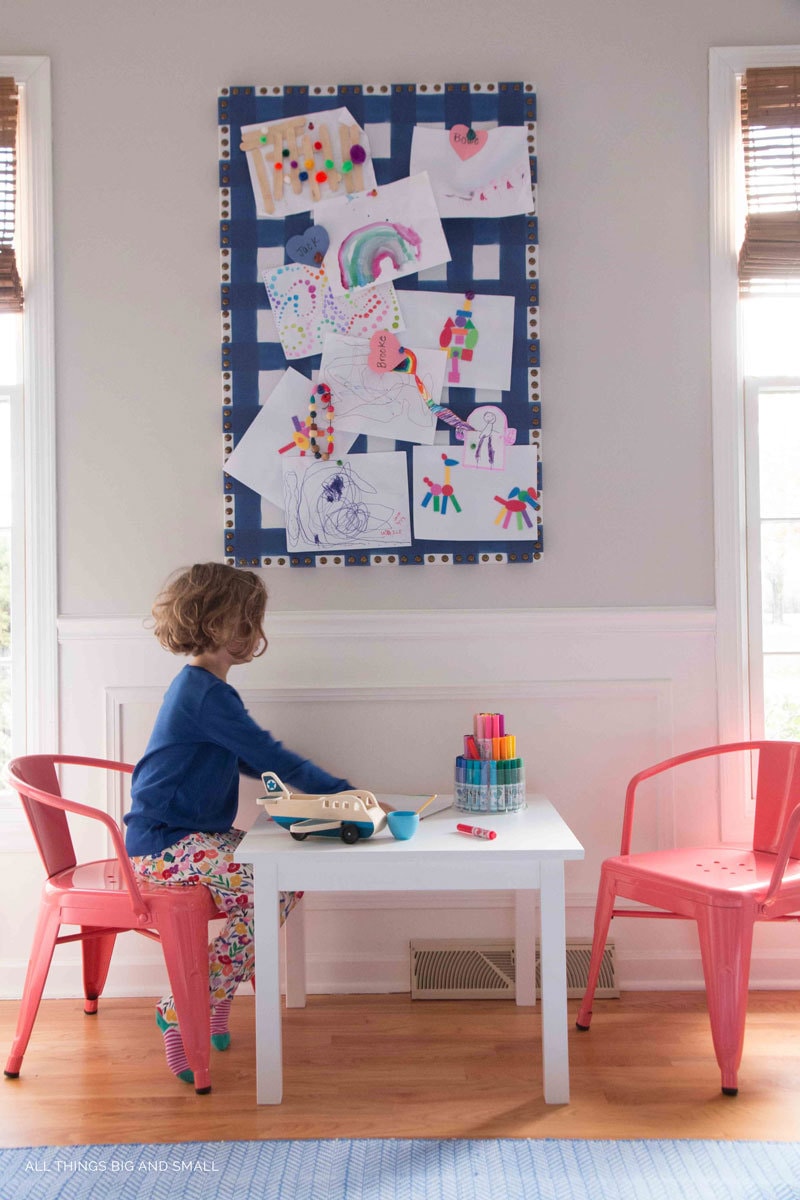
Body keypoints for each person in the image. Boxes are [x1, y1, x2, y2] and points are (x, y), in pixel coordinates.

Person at [124, 562, 352, 1086]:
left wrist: (317, 792)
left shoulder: (206, 691)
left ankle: (211, 995)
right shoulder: (204, 693)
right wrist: (343, 795)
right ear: (211, 622)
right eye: (243, 619)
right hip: (165, 842)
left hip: (196, 835)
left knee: (287, 879)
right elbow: (266, 752)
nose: (252, 630)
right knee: (271, 883)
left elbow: (252, 758)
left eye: (254, 618)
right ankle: (182, 1008)